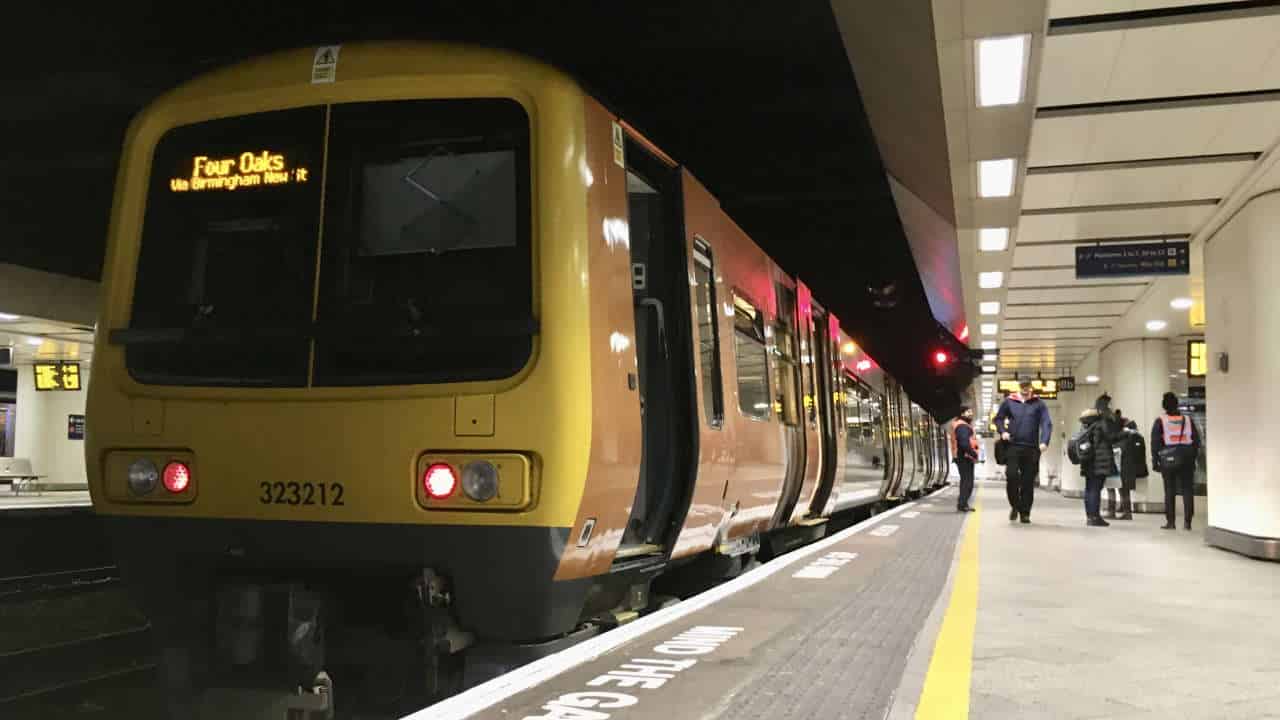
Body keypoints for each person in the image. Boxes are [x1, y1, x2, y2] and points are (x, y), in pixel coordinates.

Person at [994, 379, 1052, 524]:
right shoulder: (1009, 402)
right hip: (1013, 446)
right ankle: (1015, 505)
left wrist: (1044, 441)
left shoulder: (1039, 404)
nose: (1025, 389)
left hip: (1032, 448)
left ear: (1031, 388)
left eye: (1027, 387)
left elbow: (1046, 423)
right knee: (1011, 476)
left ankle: (1025, 513)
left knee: (1028, 482)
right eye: (1023, 387)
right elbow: (998, 419)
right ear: (1019, 387)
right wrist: (1002, 431)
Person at [1152, 392, 1201, 530]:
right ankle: (1187, 522)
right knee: (1187, 489)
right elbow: (1196, 440)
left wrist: (1155, 461)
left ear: (1164, 405)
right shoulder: (1187, 419)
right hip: (1187, 457)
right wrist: (1193, 455)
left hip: (1169, 457)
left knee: (1169, 490)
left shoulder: (1160, 420)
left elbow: (1155, 442)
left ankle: (1171, 522)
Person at [1077, 395, 1121, 526]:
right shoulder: (1102, 422)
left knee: (1089, 488)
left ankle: (1090, 516)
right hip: (1099, 461)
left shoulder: (1086, 423)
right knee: (1095, 489)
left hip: (1087, 459)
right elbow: (1110, 437)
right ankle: (1095, 517)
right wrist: (1123, 432)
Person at [1108, 416, 1146, 520]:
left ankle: (1113, 512)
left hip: (1119, 467)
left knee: (1113, 489)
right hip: (1127, 468)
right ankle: (1126, 512)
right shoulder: (1132, 436)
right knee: (1124, 490)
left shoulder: (1120, 438)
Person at [950, 406, 979, 512]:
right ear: (962, 413)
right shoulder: (962, 426)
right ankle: (962, 504)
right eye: (968, 411)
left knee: (965, 481)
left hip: (963, 456)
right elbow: (963, 443)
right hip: (964, 457)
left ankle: (963, 504)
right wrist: (973, 454)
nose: (971, 413)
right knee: (968, 482)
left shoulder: (962, 424)